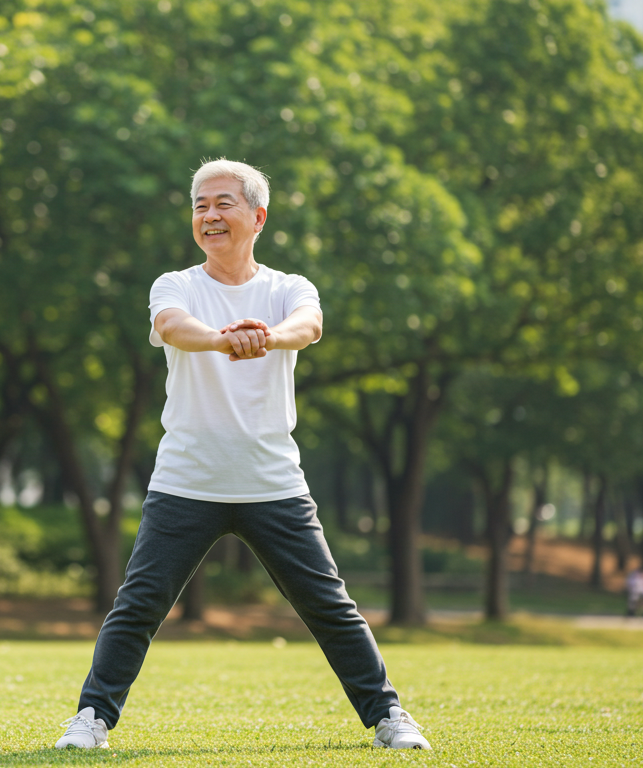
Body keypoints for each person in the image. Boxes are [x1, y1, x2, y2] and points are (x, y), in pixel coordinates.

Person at [53, 159, 430, 751]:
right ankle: (92, 720)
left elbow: (308, 326)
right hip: (186, 481)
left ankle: (389, 716)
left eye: (223, 204)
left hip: (272, 483)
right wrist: (228, 340)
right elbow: (174, 327)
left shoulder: (288, 289)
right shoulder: (175, 284)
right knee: (139, 606)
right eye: (200, 206)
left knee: (331, 607)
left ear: (257, 216)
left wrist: (267, 337)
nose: (209, 215)